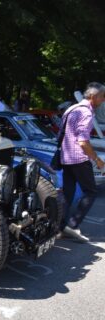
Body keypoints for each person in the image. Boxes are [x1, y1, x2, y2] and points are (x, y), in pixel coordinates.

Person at [58, 82, 105, 241]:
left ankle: (60, 227)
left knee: (67, 194)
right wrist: (97, 160)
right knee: (91, 191)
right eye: (102, 97)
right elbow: (83, 142)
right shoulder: (86, 113)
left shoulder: (71, 109)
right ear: (93, 96)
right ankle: (72, 225)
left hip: (66, 157)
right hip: (79, 158)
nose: (103, 100)